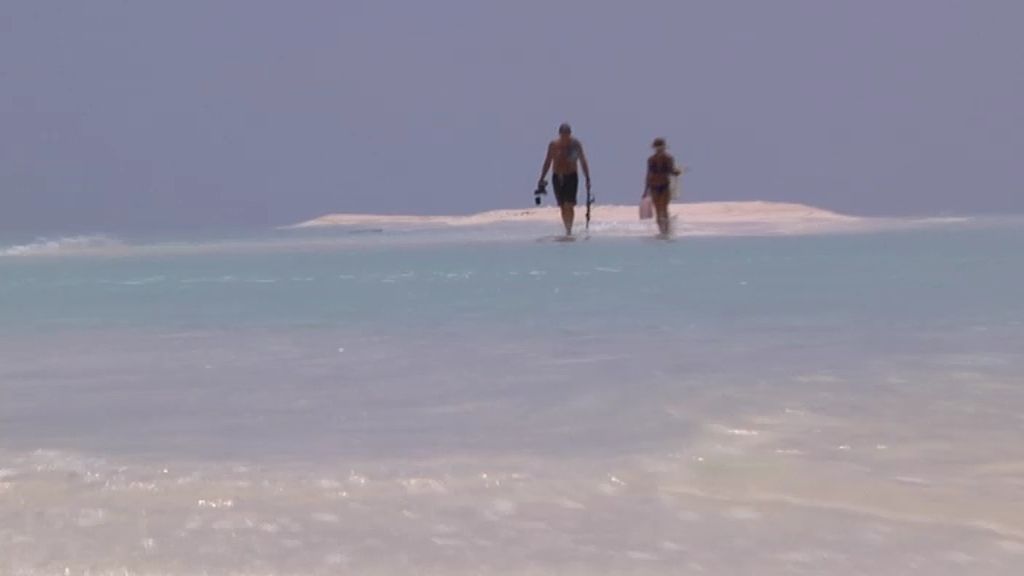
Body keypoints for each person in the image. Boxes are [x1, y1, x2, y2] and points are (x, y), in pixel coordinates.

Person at [538, 123, 591, 236]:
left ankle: (569, 230)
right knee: (562, 206)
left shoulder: (575, 145)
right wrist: (541, 178)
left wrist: (587, 178)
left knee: (569, 204)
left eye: (567, 135)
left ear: (570, 134)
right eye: (563, 136)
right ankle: (567, 227)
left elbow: (582, 161)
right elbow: (547, 162)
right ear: (560, 135)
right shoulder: (554, 145)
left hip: (571, 176)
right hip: (557, 177)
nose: (565, 139)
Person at [645, 137, 683, 236]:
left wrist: (645, 190)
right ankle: (666, 231)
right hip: (663, 185)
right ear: (664, 147)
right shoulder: (668, 158)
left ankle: (662, 232)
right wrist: (678, 172)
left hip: (654, 185)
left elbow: (648, 175)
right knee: (664, 209)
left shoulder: (651, 159)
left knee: (658, 211)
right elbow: (672, 171)